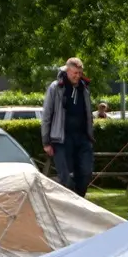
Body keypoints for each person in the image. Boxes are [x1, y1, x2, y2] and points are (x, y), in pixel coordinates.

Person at [40, 58, 95, 196]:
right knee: (66, 179)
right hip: (62, 139)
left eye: (80, 73)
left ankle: (80, 202)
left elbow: (88, 114)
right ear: (67, 70)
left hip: (82, 138)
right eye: (75, 73)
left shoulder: (84, 88)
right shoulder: (56, 87)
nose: (77, 76)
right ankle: (69, 207)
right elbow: (47, 115)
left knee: (86, 172)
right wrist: (46, 142)